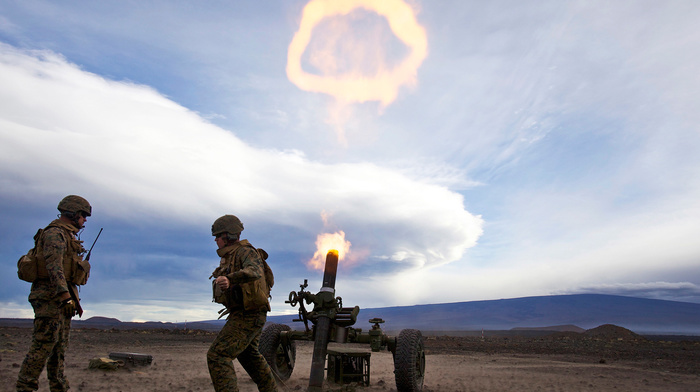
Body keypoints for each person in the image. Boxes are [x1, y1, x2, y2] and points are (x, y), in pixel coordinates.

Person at [16, 195, 92, 392]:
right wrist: (64, 296)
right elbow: (54, 267)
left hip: (62, 298)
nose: (84, 220)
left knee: (59, 348)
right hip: (50, 298)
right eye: (83, 215)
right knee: (43, 346)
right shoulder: (54, 234)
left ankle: (59, 387)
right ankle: (25, 386)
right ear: (72, 213)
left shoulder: (68, 235)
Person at [208, 214, 277, 392]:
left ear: (228, 236)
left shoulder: (245, 252)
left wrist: (230, 279)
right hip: (247, 313)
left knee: (218, 355)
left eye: (218, 236)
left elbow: (255, 271)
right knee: (249, 356)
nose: (215, 240)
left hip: (249, 314)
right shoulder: (231, 255)